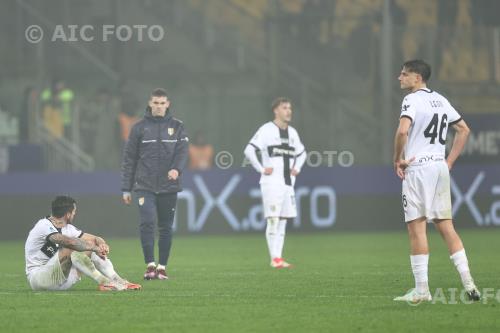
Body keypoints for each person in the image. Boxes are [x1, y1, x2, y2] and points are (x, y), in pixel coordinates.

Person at [392, 59, 480, 303]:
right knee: (446, 227)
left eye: (404, 74)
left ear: (417, 78)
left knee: (417, 228)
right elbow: (463, 129)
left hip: (418, 168)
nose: (399, 78)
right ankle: (469, 282)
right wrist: (449, 162)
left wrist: (397, 159)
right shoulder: (441, 99)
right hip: (439, 167)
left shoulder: (411, 100)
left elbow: (402, 131)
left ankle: (422, 291)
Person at [121, 88, 189, 280]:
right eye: (156, 103)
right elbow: (129, 159)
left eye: (162, 103)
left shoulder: (178, 126)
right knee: (147, 222)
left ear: (168, 104)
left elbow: (182, 153)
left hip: (169, 186)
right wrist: (126, 188)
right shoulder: (138, 127)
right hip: (145, 185)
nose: (159, 107)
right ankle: (150, 265)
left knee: (166, 227)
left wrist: (176, 169)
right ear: (150, 104)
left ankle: (162, 267)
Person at [24, 196, 141, 291]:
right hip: (39, 278)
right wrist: (94, 248)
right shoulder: (43, 225)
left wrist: (101, 244)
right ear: (68, 214)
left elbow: (95, 239)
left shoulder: (68, 228)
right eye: (74, 212)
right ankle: (105, 282)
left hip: (61, 280)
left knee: (88, 246)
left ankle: (117, 280)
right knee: (72, 248)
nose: (75, 214)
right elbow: (68, 242)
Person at [244, 97, 306, 268]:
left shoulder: (292, 133)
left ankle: (278, 258)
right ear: (276, 111)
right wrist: (261, 169)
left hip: (288, 183)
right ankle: (274, 258)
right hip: (271, 182)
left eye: (290, 108)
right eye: (285, 107)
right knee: (273, 219)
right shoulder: (266, 130)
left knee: (283, 220)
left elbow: (302, 153)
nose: (289, 111)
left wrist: (297, 168)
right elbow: (249, 150)